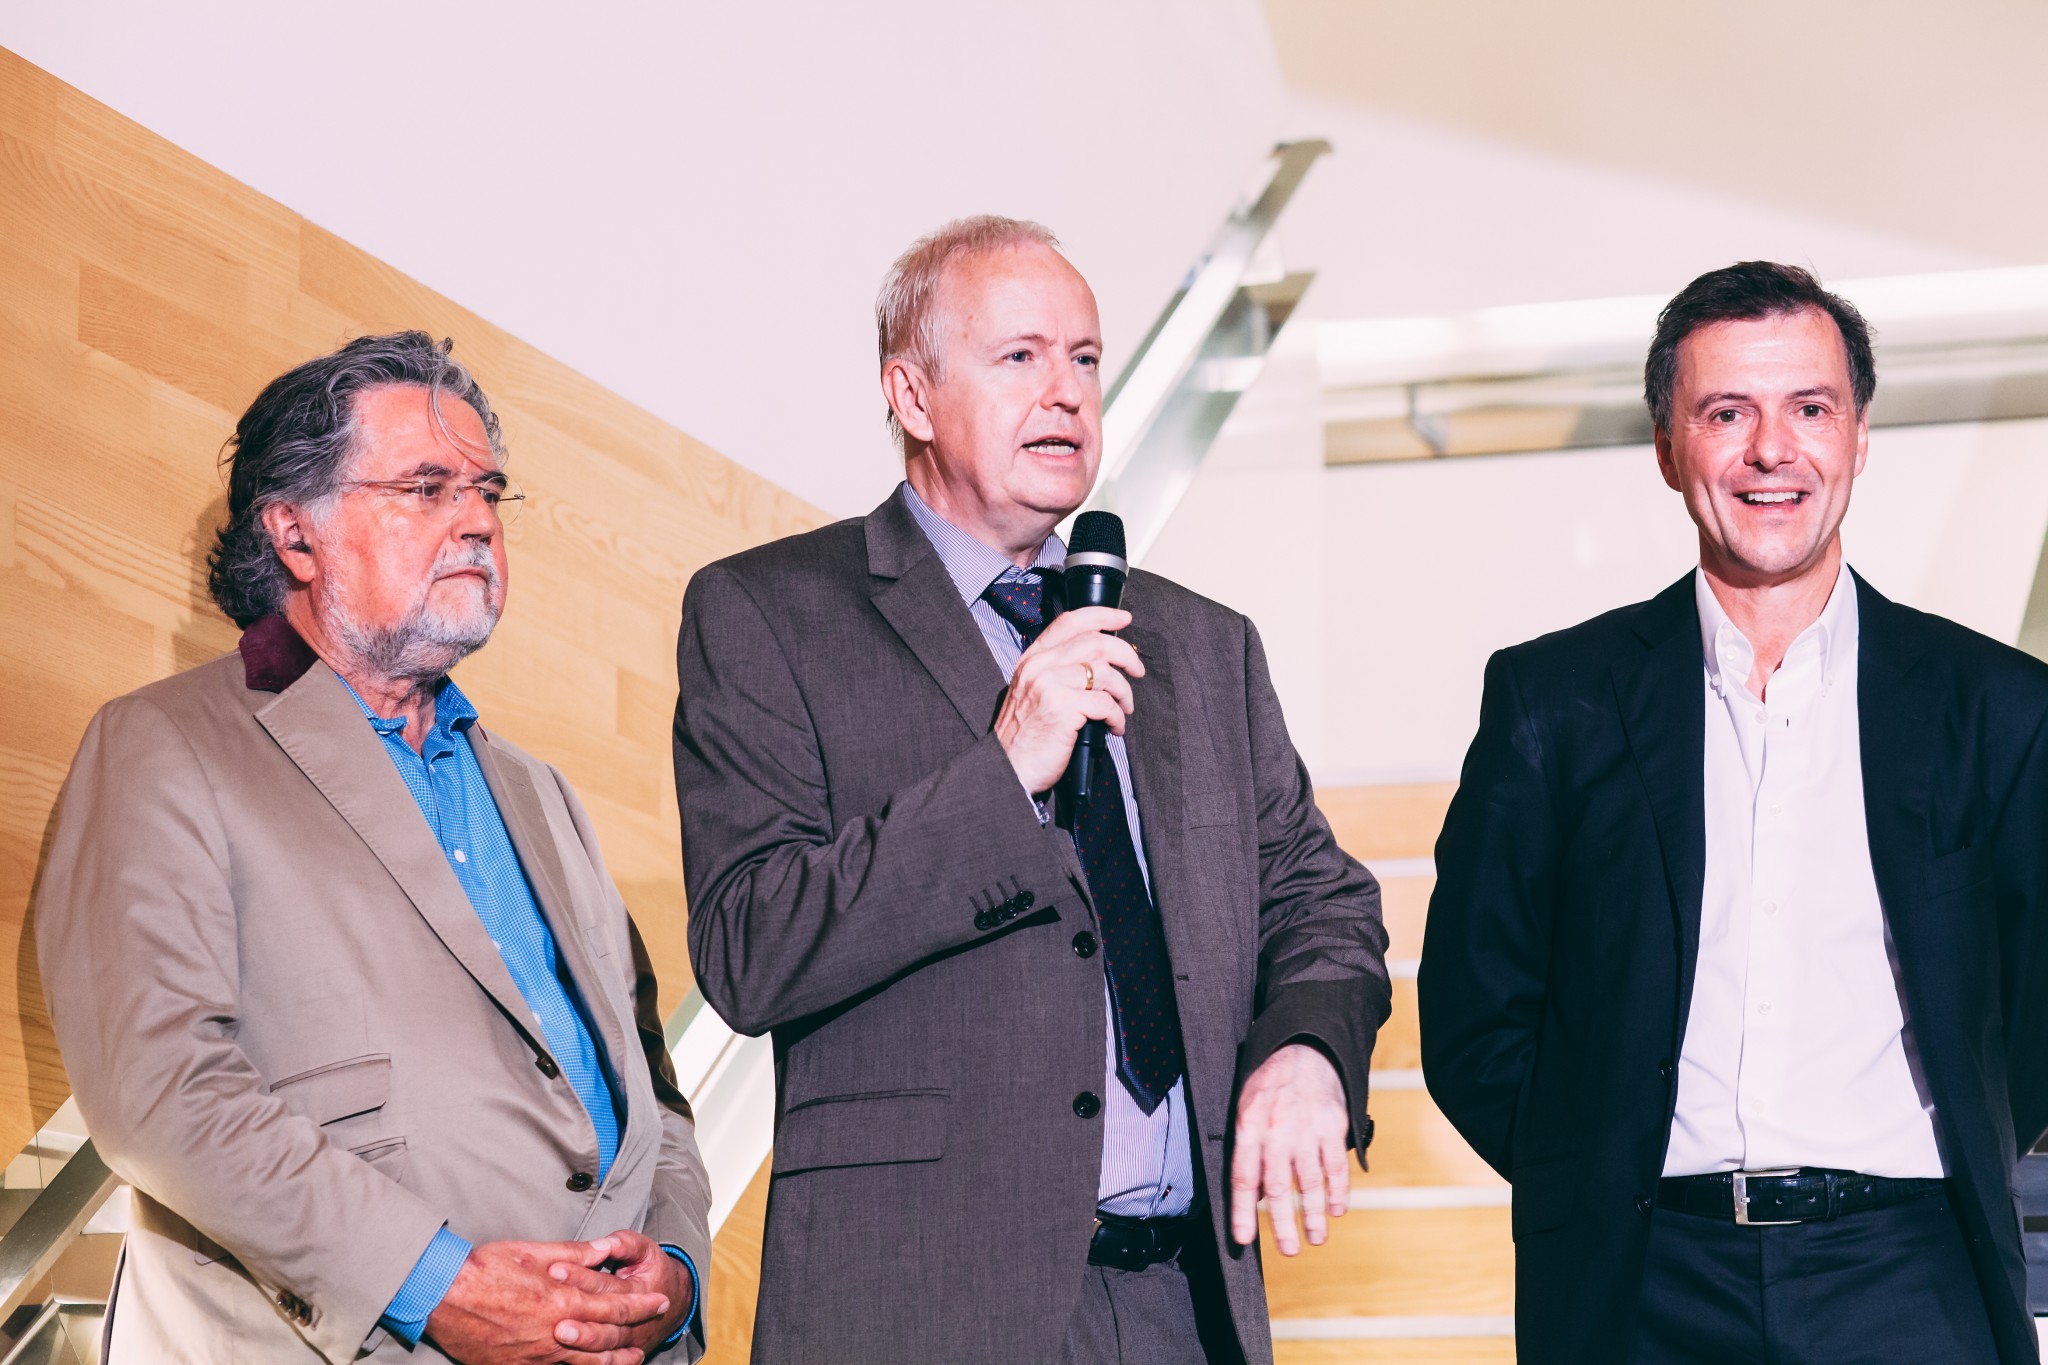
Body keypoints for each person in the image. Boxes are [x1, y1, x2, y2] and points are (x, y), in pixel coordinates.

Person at [674, 216, 1388, 1364]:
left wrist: (1306, 1047)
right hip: (920, 1310)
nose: (1064, 392)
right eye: (1018, 356)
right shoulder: (769, 613)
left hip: (1181, 1307)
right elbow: (749, 949)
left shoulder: (1203, 645)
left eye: (1084, 358)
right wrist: (1001, 773)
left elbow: (1323, 903)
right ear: (910, 394)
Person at [35, 333, 711, 1363]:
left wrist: (679, 1270)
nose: (477, 520)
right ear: (296, 535)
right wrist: (435, 1285)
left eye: (487, 491)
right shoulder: (166, 743)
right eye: (427, 488)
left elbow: (655, 1095)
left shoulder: (544, 796)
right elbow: (160, 1086)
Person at [1420, 261, 2048, 1364]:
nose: (1771, 450)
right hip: (1642, 1285)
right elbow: (1475, 1009)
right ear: (1669, 448)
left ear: (1858, 436)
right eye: (1726, 413)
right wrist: (1593, 1169)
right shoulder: (1552, 701)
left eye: (1809, 409)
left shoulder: (1996, 704)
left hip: (1912, 1276)